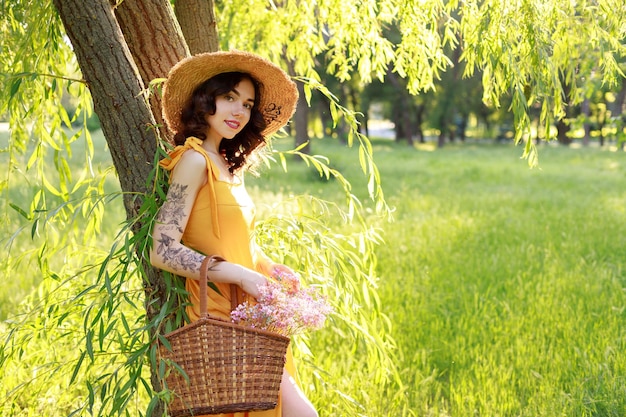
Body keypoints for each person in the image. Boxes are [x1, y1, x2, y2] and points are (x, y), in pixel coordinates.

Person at [150, 51, 318, 417]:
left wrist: (270, 269)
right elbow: (162, 249)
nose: (238, 110)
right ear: (206, 100)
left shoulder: (228, 167)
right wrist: (242, 275)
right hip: (219, 311)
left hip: (251, 313)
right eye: (229, 97)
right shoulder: (194, 161)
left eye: (247, 103)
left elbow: (239, 242)